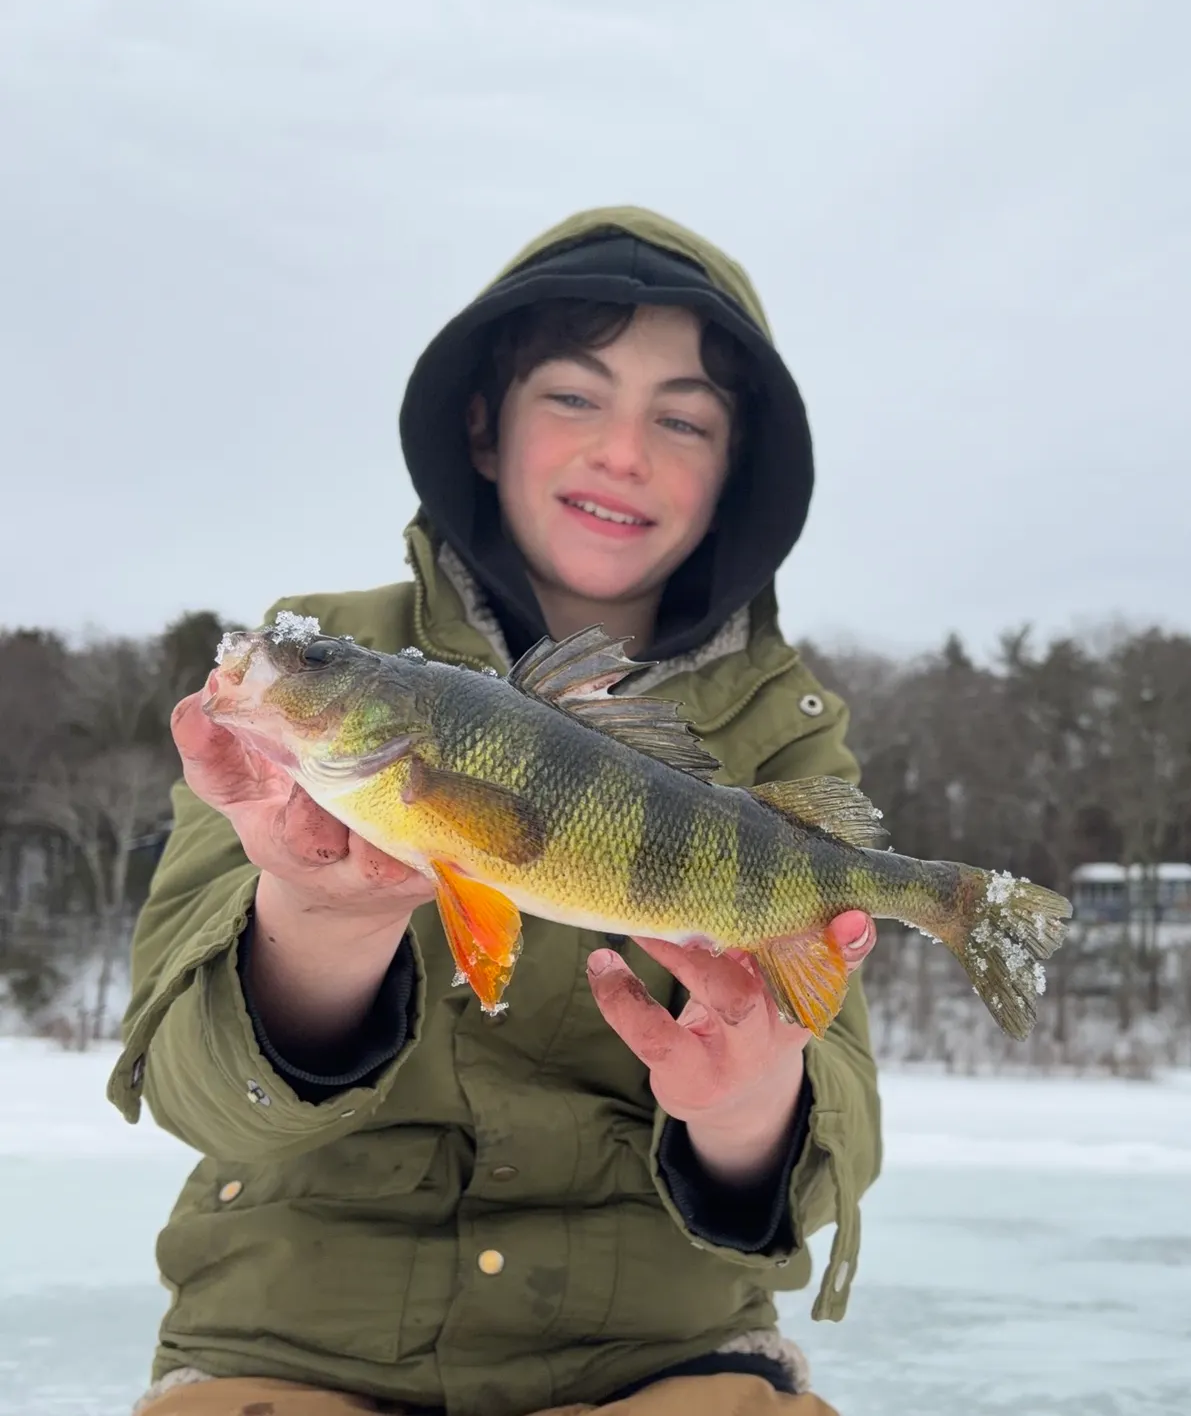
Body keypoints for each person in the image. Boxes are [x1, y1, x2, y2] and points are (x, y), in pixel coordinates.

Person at [107, 207, 882, 1416]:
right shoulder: (330, 661)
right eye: (574, 396)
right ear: (483, 425)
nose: (624, 450)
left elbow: (832, 1148)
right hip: (299, 1344)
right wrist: (315, 924)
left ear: (736, 472)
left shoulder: (786, 732)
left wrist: (747, 1109)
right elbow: (190, 1089)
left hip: (661, 1355)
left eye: (681, 418)